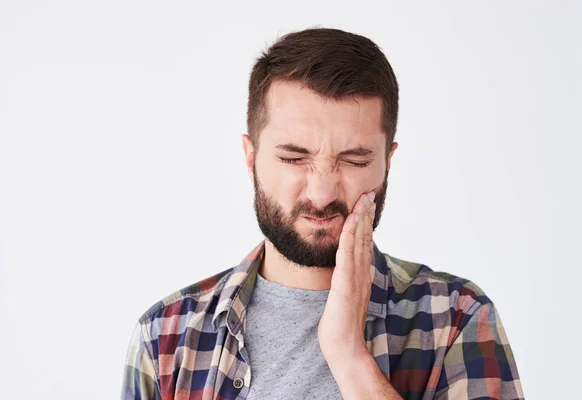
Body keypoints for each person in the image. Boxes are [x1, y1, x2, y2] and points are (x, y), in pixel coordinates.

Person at [120, 27, 524, 400]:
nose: (321, 192)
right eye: (294, 157)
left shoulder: (455, 318)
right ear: (251, 158)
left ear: (387, 163)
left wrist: (349, 355)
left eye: (354, 160)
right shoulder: (166, 337)